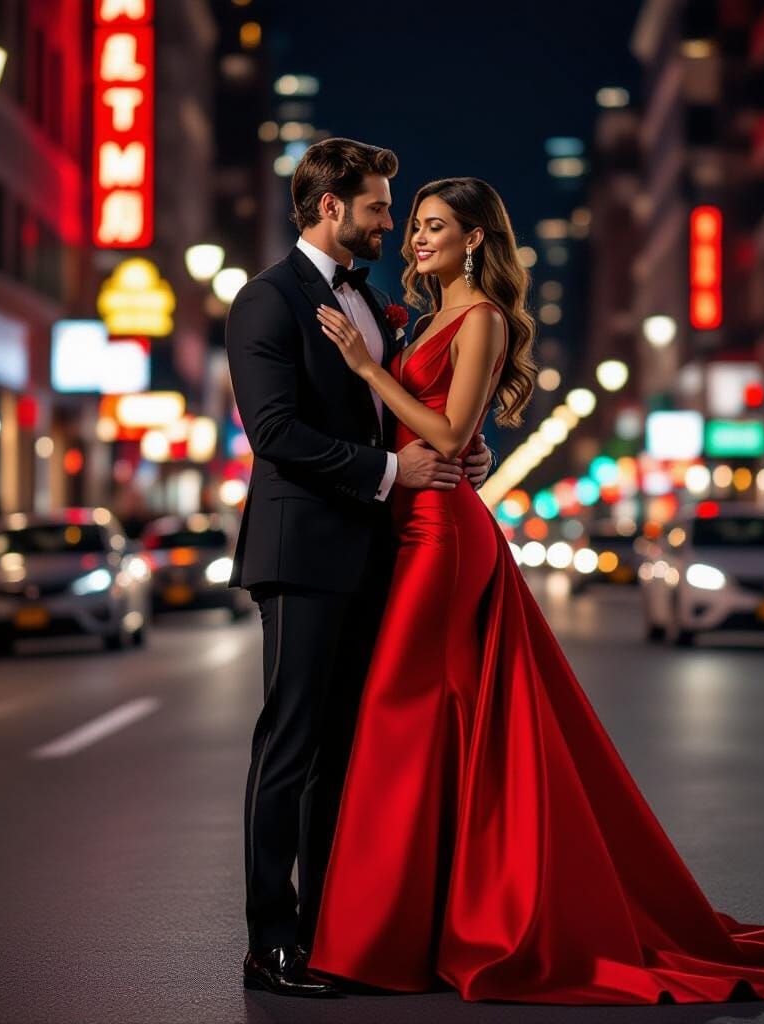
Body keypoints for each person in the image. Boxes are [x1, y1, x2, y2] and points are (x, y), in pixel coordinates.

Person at [307, 176, 764, 1005]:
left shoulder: (483, 320)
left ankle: (376, 942)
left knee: (400, 713)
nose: (416, 240)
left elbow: (450, 433)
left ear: (476, 240)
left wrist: (367, 366)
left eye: (435, 227)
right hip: (407, 526)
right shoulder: (424, 319)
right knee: (432, 724)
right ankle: (414, 925)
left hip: (443, 535)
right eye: (415, 227)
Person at [224, 139, 493, 998]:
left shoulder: (377, 305)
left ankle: (323, 935)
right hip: (301, 552)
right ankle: (269, 942)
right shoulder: (265, 301)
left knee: (342, 751)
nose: (391, 222)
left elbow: (400, 417)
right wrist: (390, 472)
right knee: (292, 742)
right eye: (379, 207)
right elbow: (275, 435)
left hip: (380, 552)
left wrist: (459, 448)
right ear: (331, 207)